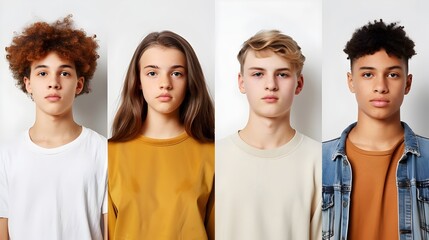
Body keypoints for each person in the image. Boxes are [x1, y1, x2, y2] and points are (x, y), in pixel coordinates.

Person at [0, 15, 107, 240]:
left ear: (79, 84)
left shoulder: (104, 151)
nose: (53, 82)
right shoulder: (7, 156)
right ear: (28, 83)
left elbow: (110, 231)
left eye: (64, 73)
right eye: (42, 72)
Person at [322, 19, 429, 240]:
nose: (380, 86)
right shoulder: (319, 162)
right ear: (351, 81)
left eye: (392, 74)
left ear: (407, 83)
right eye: (368, 74)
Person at [108, 31, 215, 239]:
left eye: (176, 73)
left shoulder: (213, 154)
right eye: (152, 73)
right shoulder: (109, 153)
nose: (165, 83)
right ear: (138, 80)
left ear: (189, 80)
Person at [216, 30, 322, 240]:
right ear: (242, 82)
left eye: (282, 74)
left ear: (298, 84)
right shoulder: (212, 157)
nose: (271, 85)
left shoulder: (320, 160)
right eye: (258, 74)